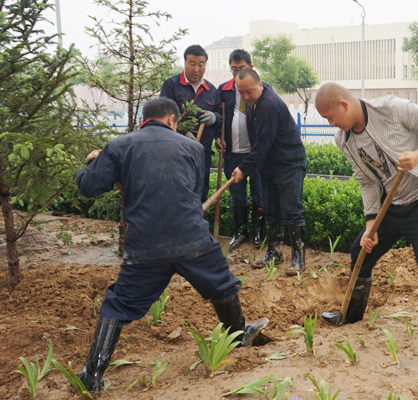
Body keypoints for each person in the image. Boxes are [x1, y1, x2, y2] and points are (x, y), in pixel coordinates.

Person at [75, 97, 267, 392]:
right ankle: (239, 333)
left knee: (119, 303)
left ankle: (92, 374)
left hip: (145, 246)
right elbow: (194, 190)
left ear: (144, 120)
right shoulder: (191, 147)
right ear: (172, 121)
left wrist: (92, 161)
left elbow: (89, 187)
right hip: (192, 239)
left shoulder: (119, 146)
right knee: (221, 283)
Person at [315, 82, 418, 347]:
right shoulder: (344, 140)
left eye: (330, 117)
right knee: (361, 251)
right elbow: (367, 181)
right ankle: (352, 316)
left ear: (344, 105)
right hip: (393, 204)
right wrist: (371, 224)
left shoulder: (390, 109)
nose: (331, 124)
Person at [231, 69, 307, 275]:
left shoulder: (269, 105)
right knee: (271, 209)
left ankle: (299, 258)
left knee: (291, 210)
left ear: (260, 85)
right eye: (241, 93)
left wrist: (244, 168)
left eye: (249, 92)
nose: (245, 97)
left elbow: (262, 143)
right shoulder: (254, 105)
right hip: (269, 165)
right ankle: (274, 253)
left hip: (289, 163)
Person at [216, 49, 265, 249]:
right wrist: (218, 137)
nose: (237, 74)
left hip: (255, 153)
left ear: (251, 68)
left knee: (259, 194)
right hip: (232, 152)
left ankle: (259, 233)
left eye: (241, 69)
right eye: (234, 70)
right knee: (237, 193)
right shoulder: (224, 90)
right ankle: (240, 231)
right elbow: (218, 117)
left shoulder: (260, 89)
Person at [160, 44, 222, 202]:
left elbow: (221, 117)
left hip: (203, 153)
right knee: (178, 193)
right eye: (192, 63)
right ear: (185, 63)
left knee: (201, 193)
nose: (196, 69)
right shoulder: (171, 85)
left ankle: (198, 226)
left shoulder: (212, 90)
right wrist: (182, 133)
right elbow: (163, 117)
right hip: (177, 153)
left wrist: (214, 117)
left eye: (201, 64)